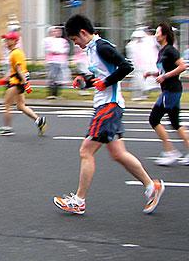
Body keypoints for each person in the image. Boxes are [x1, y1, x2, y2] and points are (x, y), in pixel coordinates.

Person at [53, 15, 164, 215]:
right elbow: (102, 76)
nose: (75, 44)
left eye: (75, 40)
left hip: (108, 106)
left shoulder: (101, 47)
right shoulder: (93, 49)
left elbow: (126, 66)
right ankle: (151, 186)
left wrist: (105, 83)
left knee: (85, 151)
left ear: (83, 33)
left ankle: (79, 200)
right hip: (108, 105)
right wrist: (86, 82)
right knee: (118, 153)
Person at [144, 22, 189, 166]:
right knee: (176, 123)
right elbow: (164, 70)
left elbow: (182, 66)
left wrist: (165, 77)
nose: (156, 35)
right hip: (170, 90)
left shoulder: (170, 50)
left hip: (171, 90)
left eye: (157, 32)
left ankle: (170, 152)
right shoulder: (162, 51)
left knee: (154, 119)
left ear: (164, 35)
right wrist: (153, 73)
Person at [0, 31, 46, 136]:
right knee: (20, 106)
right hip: (17, 82)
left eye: (8, 40)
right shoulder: (15, 52)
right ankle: (39, 120)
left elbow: (19, 70)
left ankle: (7, 128)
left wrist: (25, 84)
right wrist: (5, 79)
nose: (6, 42)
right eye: (5, 40)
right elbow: (15, 70)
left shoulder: (15, 53)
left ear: (14, 41)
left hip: (16, 83)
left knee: (7, 104)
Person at [44, 26, 70, 99]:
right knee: (52, 77)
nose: (57, 33)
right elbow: (50, 49)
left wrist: (58, 51)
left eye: (59, 31)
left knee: (60, 79)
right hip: (52, 61)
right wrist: (58, 51)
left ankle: (57, 94)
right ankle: (51, 93)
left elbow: (65, 50)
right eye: (55, 31)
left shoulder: (63, 41)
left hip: (61, 61)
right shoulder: (48, 40)